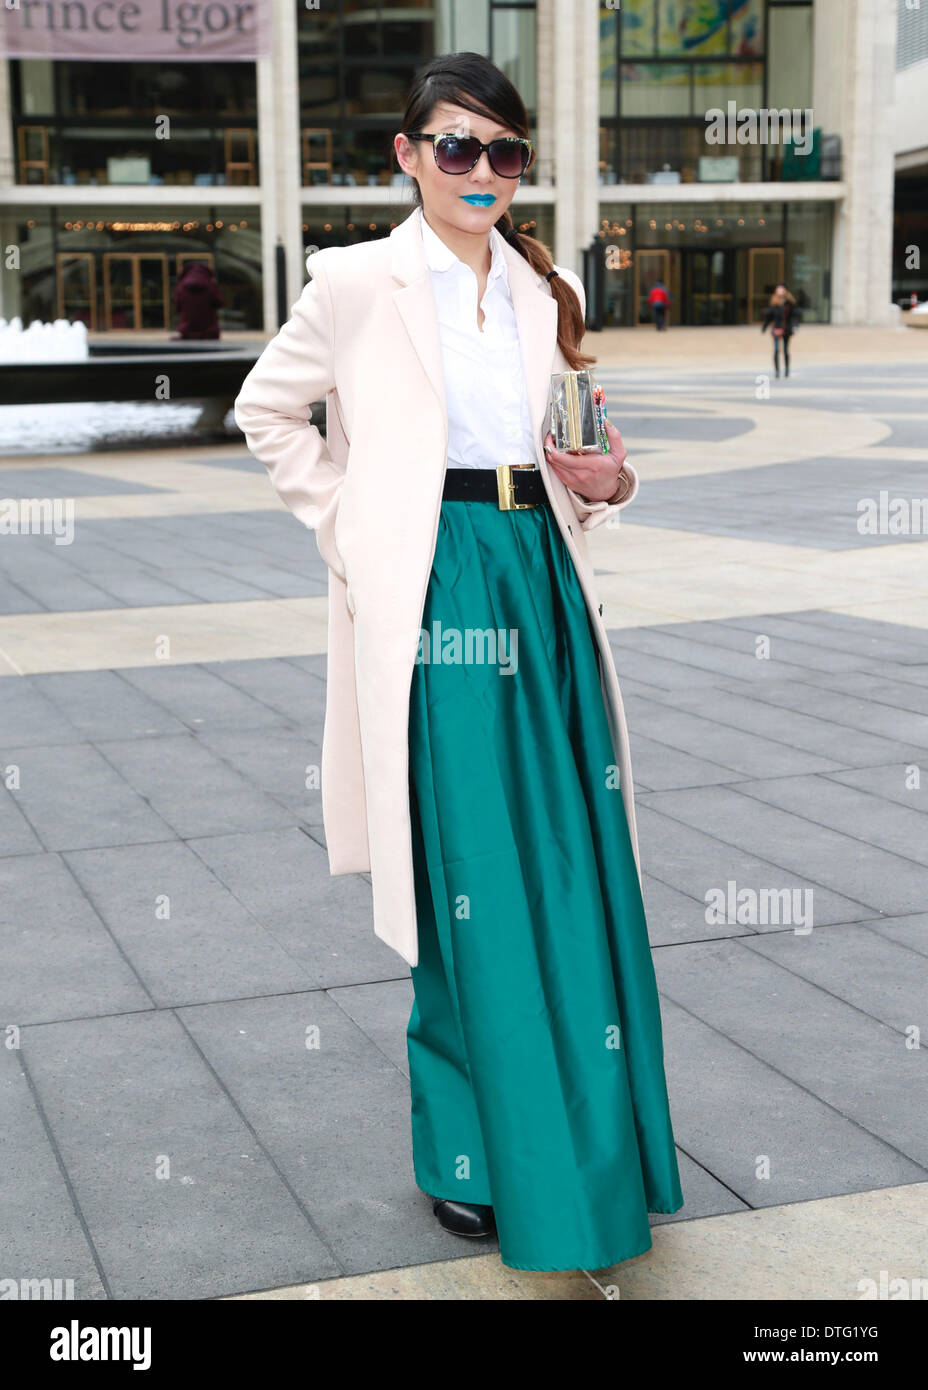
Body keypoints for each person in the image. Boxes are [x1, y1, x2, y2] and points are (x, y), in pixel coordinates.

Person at [233, 51, 683, 1275]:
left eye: (503, 151)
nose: (480, 171)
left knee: (576, 867)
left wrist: (609, 484)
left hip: (540, 576)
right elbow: (266, 412)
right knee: (468, 872)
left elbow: (565, 458)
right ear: (407, 155)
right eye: (456, 147)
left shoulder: (543, 290)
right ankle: (469, 1156)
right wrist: (353, 533)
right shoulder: (356, 283)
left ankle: (603, 1144)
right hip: (438, 593)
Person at [173, 260, 222, 340]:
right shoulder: (210, 284)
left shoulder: (181, 286)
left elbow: (177, 306)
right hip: (208, 332)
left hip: (187, 331)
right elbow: (219, 303)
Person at [761, 282, 801, 377]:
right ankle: (777, 370)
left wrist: (795, 326)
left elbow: (795, 316)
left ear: (785, 290)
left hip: (787, 329)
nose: (780, 291)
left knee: (786, 350)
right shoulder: (774, 302)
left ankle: (787, 369)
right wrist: (764, 327)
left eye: (782, 289)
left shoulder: (790, 303)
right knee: (776, 350)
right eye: (778, 289)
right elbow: (769, 317)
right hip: (776, 328)